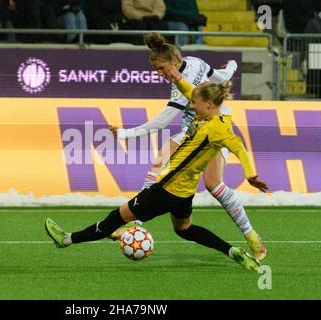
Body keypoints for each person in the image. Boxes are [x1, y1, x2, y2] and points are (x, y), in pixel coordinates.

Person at [45, 79, 269, 271]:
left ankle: (65, 239)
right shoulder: (218, 119)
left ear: (208, 104)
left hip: (165, 190)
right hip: (185, 193)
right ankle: (233, 252)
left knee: (114, 219)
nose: (191, 105)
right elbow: (191, 91)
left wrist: (250, 175)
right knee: (185, 229)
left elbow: (239, 147)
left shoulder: (217, 130)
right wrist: (175, 77)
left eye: (195, 103)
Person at [108, 32, 267, 261]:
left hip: (213, 128)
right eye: (156, 70)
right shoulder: (194, 61)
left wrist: (125, 133)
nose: (159, 74)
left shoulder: (182, 82)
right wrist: (231, 66)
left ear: (173, 61)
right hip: (194, 128)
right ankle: (136, 225)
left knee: (212, 184)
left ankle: (252, 237)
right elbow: (218, 75)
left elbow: (163, 121)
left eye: (161, 68)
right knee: (164, 163)